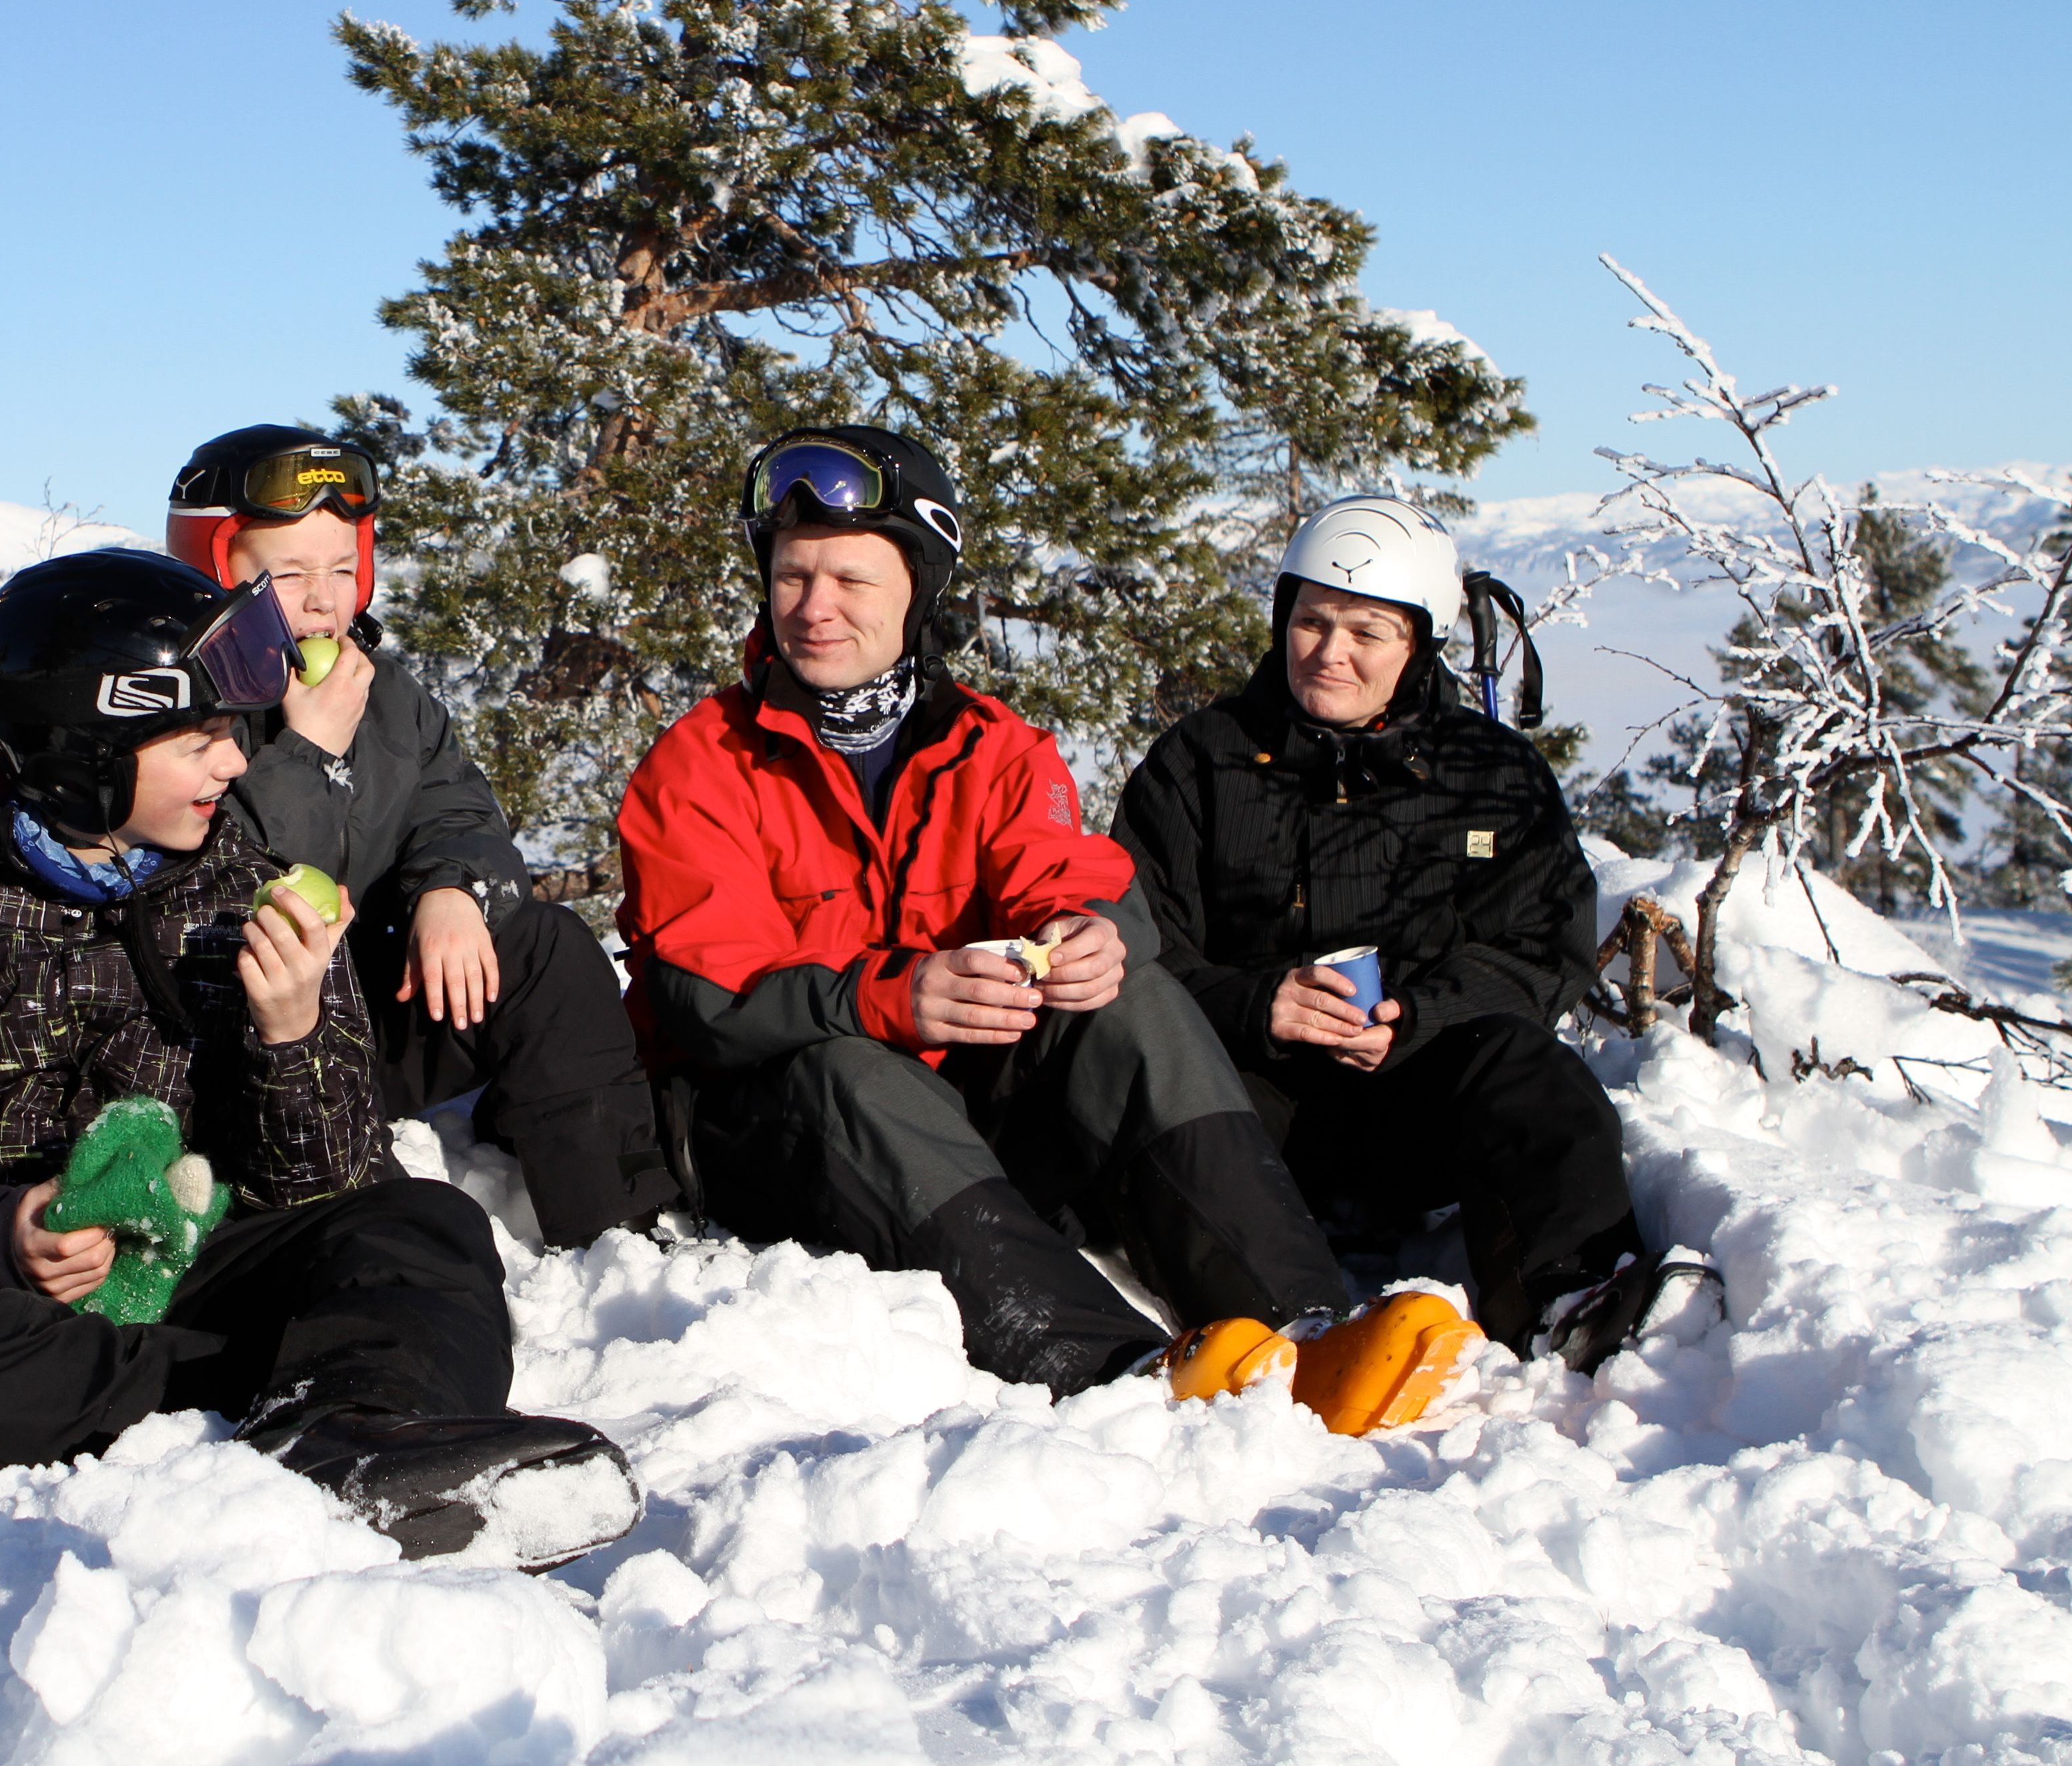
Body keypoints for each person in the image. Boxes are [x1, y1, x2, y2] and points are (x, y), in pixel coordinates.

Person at [0, 549, 639, 1563]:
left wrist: (292, 1033)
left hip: (215, 1259)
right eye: (199, 739)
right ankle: (311, 1409)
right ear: (85, 752)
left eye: (234, 734)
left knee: (424, 1225)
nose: (234, 764)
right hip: (31, 1312)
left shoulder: (250, 888)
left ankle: (360, 1432)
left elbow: (338, 1184)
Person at [615, 427, 1476, 1431]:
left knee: (1130, 994)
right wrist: (890, 996)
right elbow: (707, 998)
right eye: (792, 577)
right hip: (777, 1133)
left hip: (956, 1128)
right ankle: (1117, 1371)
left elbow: (1073, 875)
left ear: (918, 589)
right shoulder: (701, 764)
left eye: (851, 579)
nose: (814, 607)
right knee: (847, 1064)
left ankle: (1306, 1323)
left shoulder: (991, 745)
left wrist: (1091, 930)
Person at [1113, 496, 1685, 1370]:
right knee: (1151, 1097)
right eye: (1311, 621)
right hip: (1246, 1104)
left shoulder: (1489, 774)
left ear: (1419, 644)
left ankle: (1570, 1293)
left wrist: (1420, 1017)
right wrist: (1257, 1006)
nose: (1328, 652)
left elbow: (1544, 946)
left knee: (1530, 1068)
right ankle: (1282, 1335)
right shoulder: (1200, 764)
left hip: (1420, 1101)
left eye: (1366, 633)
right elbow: (1140, 951)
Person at [168, 425, 678, 1247]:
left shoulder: (388, 696)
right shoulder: (185, 717)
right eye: (289, 575)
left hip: (376, 1013)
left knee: (545, 946)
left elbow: (459, 809)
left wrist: (453, 889)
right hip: (255, 1052)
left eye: (343, 569)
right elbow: (216, 891)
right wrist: (308, 752)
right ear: (216, 572)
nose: (323, 600)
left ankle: (616, 1224)